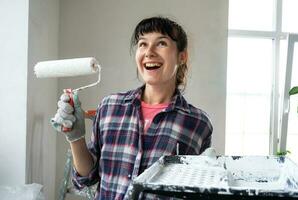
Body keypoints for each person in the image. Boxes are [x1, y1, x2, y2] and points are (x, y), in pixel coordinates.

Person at [51, 16, 213, 200]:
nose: (149, 52)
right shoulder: (109, 107)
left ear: (182, 57)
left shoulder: (198, 123)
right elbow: (86, 178)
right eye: (143, 44)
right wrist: (75, 137)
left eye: (161, 43)